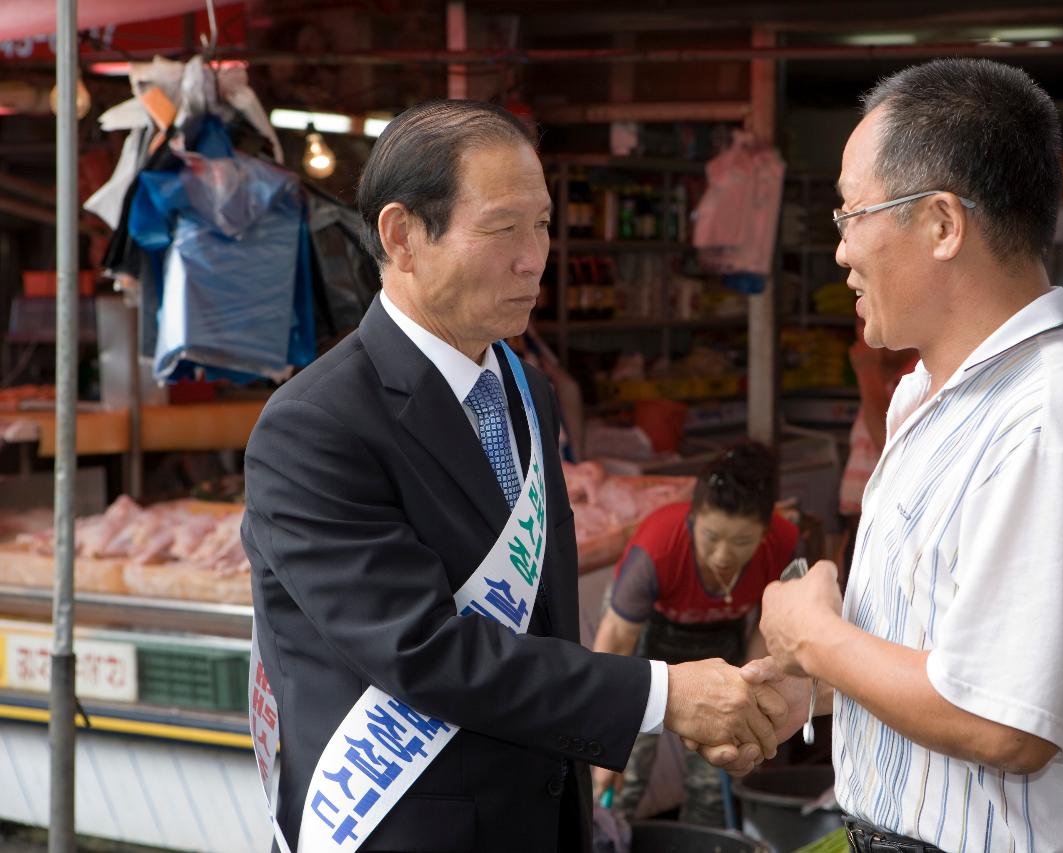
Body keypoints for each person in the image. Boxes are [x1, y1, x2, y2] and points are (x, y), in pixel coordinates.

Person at [241, 100, 788, 853]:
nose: (535, 257)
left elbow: (541, 621)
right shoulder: (314, 425)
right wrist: (662, 694)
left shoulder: (524, 389)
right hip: (408, 826)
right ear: (402, 236)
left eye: (542, 224)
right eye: (503, 228)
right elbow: (424, 649)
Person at [736, 59, 1063, 853]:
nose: (840, 251)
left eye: (852, 214)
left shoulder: (1048, 423)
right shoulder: (931, 398)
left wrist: (813, 634)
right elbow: (942, 655)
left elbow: (1004, 722)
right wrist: (816, 688)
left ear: (942, 224)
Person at [591, 442, 800, 826]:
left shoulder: (784, 543)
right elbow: (616, 640)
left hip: (722, 646)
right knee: (624, 770)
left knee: (715, 779)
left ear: (765, 530)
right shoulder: (658, 548)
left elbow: (767, 630)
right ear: (692, 519)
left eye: (741, 542)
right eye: (711, 537)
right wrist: (606, 734)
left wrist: (745, 690)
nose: (723, 555)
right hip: (642, 648)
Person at [837, 317, 918, 571]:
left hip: (888, 529)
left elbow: (890, 444)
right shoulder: (887, 381)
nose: (865, 332)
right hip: (860, 526)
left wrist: (866, 373)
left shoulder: (918, 378)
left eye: (869, 319)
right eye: (859, 323)